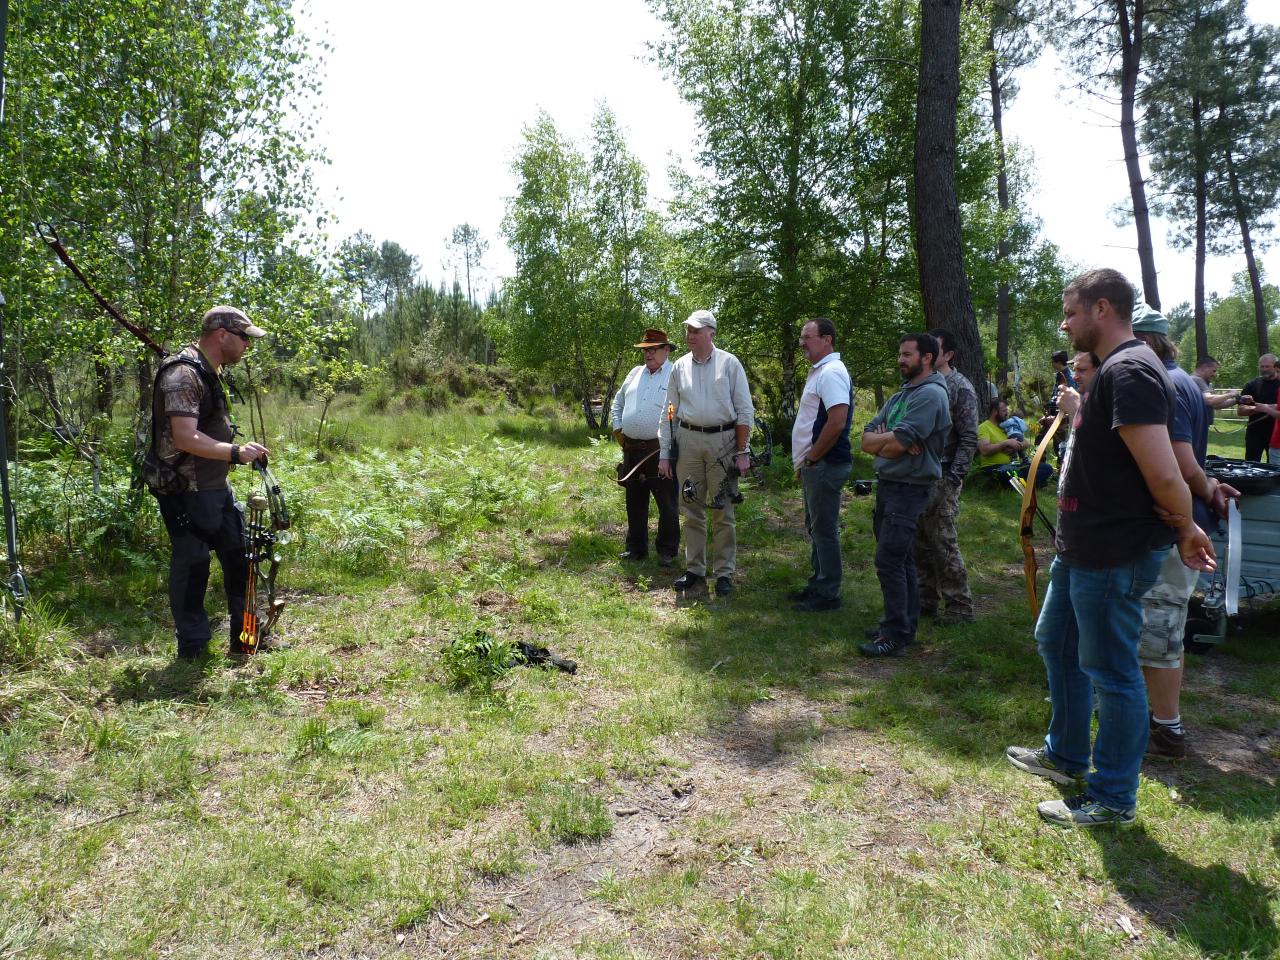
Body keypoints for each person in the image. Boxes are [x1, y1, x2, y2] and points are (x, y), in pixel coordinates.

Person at [1005, 269, 1215, 829]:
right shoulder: (1121, 371)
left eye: (1070, 312)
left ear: (1102, 309)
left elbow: (1164, 470)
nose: (1064, 323)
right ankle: (1066, 755)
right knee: (1056, 640)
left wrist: (1185, 527)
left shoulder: (1131, 371)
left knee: (1112, 669)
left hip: (1114, 550)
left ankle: (1114, 796)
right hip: (1083, 546)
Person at [1131, 307, 1239, 759]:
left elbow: (1179, 460)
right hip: (1180, 521)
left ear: (1145, 341)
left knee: (1158, 628)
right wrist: (1209, 488)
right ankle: (1154, 720)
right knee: (1161, 625)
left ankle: (1165, 729)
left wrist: (1205, 490)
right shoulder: (1185, 382)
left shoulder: (1167, 384)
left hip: (1174, 527)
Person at [153, 306, 270, 660]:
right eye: (244, 338)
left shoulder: (209, 371)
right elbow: (185, 438)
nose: (248, 346)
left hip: (215, 487)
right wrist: (235, 452)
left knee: (242, 558)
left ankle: (247, 640)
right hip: (185, 490)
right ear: (222, 334)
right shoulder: (183, 375)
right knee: (193, 565)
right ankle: (193, 649)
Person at [858, 333, 951, 657]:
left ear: (927, 358)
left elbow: (895, 444)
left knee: (889, 559)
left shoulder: (930, 396)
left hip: (909, 488)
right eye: (900, 353)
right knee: (901, 559)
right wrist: (885, 440)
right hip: (889, 484)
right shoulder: (902, 396)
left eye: (907, 354)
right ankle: (902, 624)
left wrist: (888, 441)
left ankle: (894, 632)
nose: (901, 359)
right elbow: (866, 438)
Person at [658, 310, 755, 597]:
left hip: (723, 441)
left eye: (696, 331)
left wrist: (743, 451)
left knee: (723, 510)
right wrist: (665, 451)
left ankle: (724, 572)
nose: (690, 335)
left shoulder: (729, 364)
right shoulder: (679, 367)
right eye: (688, 330)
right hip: (687, 440)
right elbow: (670, 410)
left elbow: (745, 410)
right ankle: (694, 569)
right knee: (690, 507)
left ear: (711, 333)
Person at [912, 328, 978, 624]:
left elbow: (968, 438)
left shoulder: (959, 387)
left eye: (933, 349)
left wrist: (953, 479)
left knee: (943, 541)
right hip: (918, 475)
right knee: (919, 540)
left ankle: (959, 607)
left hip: (945, 474)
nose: (926, 353)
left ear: (948, 354)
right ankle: (925, 600)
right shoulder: (920, 384)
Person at [788, 318, 853, 612]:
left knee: (824, 529)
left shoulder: (832, 372)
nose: (802, 342)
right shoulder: (820, 371)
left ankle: (828, 593)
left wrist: (813, 457)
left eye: (807, 336)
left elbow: (837, 421)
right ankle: (818, 582)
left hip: (825, 463)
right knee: (816, 527)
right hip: (816, 464)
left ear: (826, 339)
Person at [611, 328, 679, 566]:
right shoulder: (634, 373)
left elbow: (676, 413)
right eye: (645, 350)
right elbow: (618, 402)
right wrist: (618, 428)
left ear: (666, 350)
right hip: (631, 449)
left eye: (653, 349)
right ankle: (636, 548)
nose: (648, 354)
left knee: (667, 502)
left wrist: (669, 450)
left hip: (660, 449)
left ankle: (667, 551)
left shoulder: (675, 374)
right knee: (635, 501)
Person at [977, 399, 1051, 487]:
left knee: (1046, 468)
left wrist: (1015, 446)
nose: (1006, 413)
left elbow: (1026, 443)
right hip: (995, 467)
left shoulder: (1006, 425)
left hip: (1014, 465)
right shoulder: (984, 427)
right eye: (1004, 411)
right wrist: (1006, 443)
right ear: (994, 411)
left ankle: (1024, 484)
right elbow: (985, 450)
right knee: (1007, 472)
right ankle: (1031, 483)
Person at [1239, 354, 1279, 462]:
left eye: (1268, 366)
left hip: (1276, 434)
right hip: (1255, 432)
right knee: (1250, 466)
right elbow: (1241, 411)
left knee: (1275, 469)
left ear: (1275, 367)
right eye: (1262, 366)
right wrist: (1258, 408)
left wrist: (1266, 407)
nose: (1264, 369)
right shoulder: (1251, 385)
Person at [1191, 356, 1238, 424]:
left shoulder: (1195, 380)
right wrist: (1231, 394)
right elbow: (1209, 400)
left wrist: (1237, 400)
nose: (1215, 374)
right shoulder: (1198, 380)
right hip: (1197, 426)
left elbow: (1216, 405)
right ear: (1204, 367)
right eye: (1214, 371)